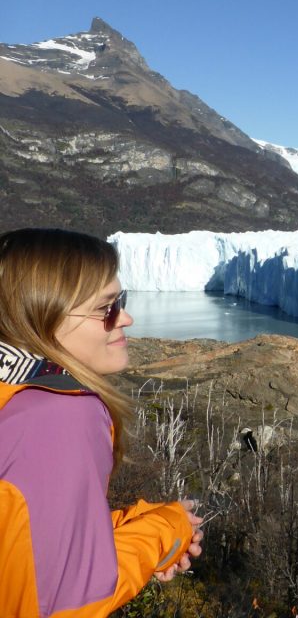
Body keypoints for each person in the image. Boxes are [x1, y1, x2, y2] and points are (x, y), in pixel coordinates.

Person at [0, 228, 203, 617]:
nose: (125, 317)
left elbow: (28, 544)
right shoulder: (57, 419)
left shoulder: (15, 402)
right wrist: (162, 533)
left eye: (120, 301)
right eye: (106, 307)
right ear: (42, 317)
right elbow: (69, 602)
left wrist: (140, 522)